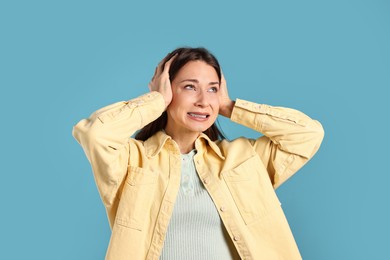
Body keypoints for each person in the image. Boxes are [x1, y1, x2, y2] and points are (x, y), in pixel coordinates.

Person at [72, 47, 324, 260]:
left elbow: (308, 135)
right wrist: (155, 100)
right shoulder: (131, 160)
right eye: (190, 87)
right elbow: (95, 134)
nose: (203, 100)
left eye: (212, 89)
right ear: (168, 90)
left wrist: (229, 106)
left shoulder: (244, 158)